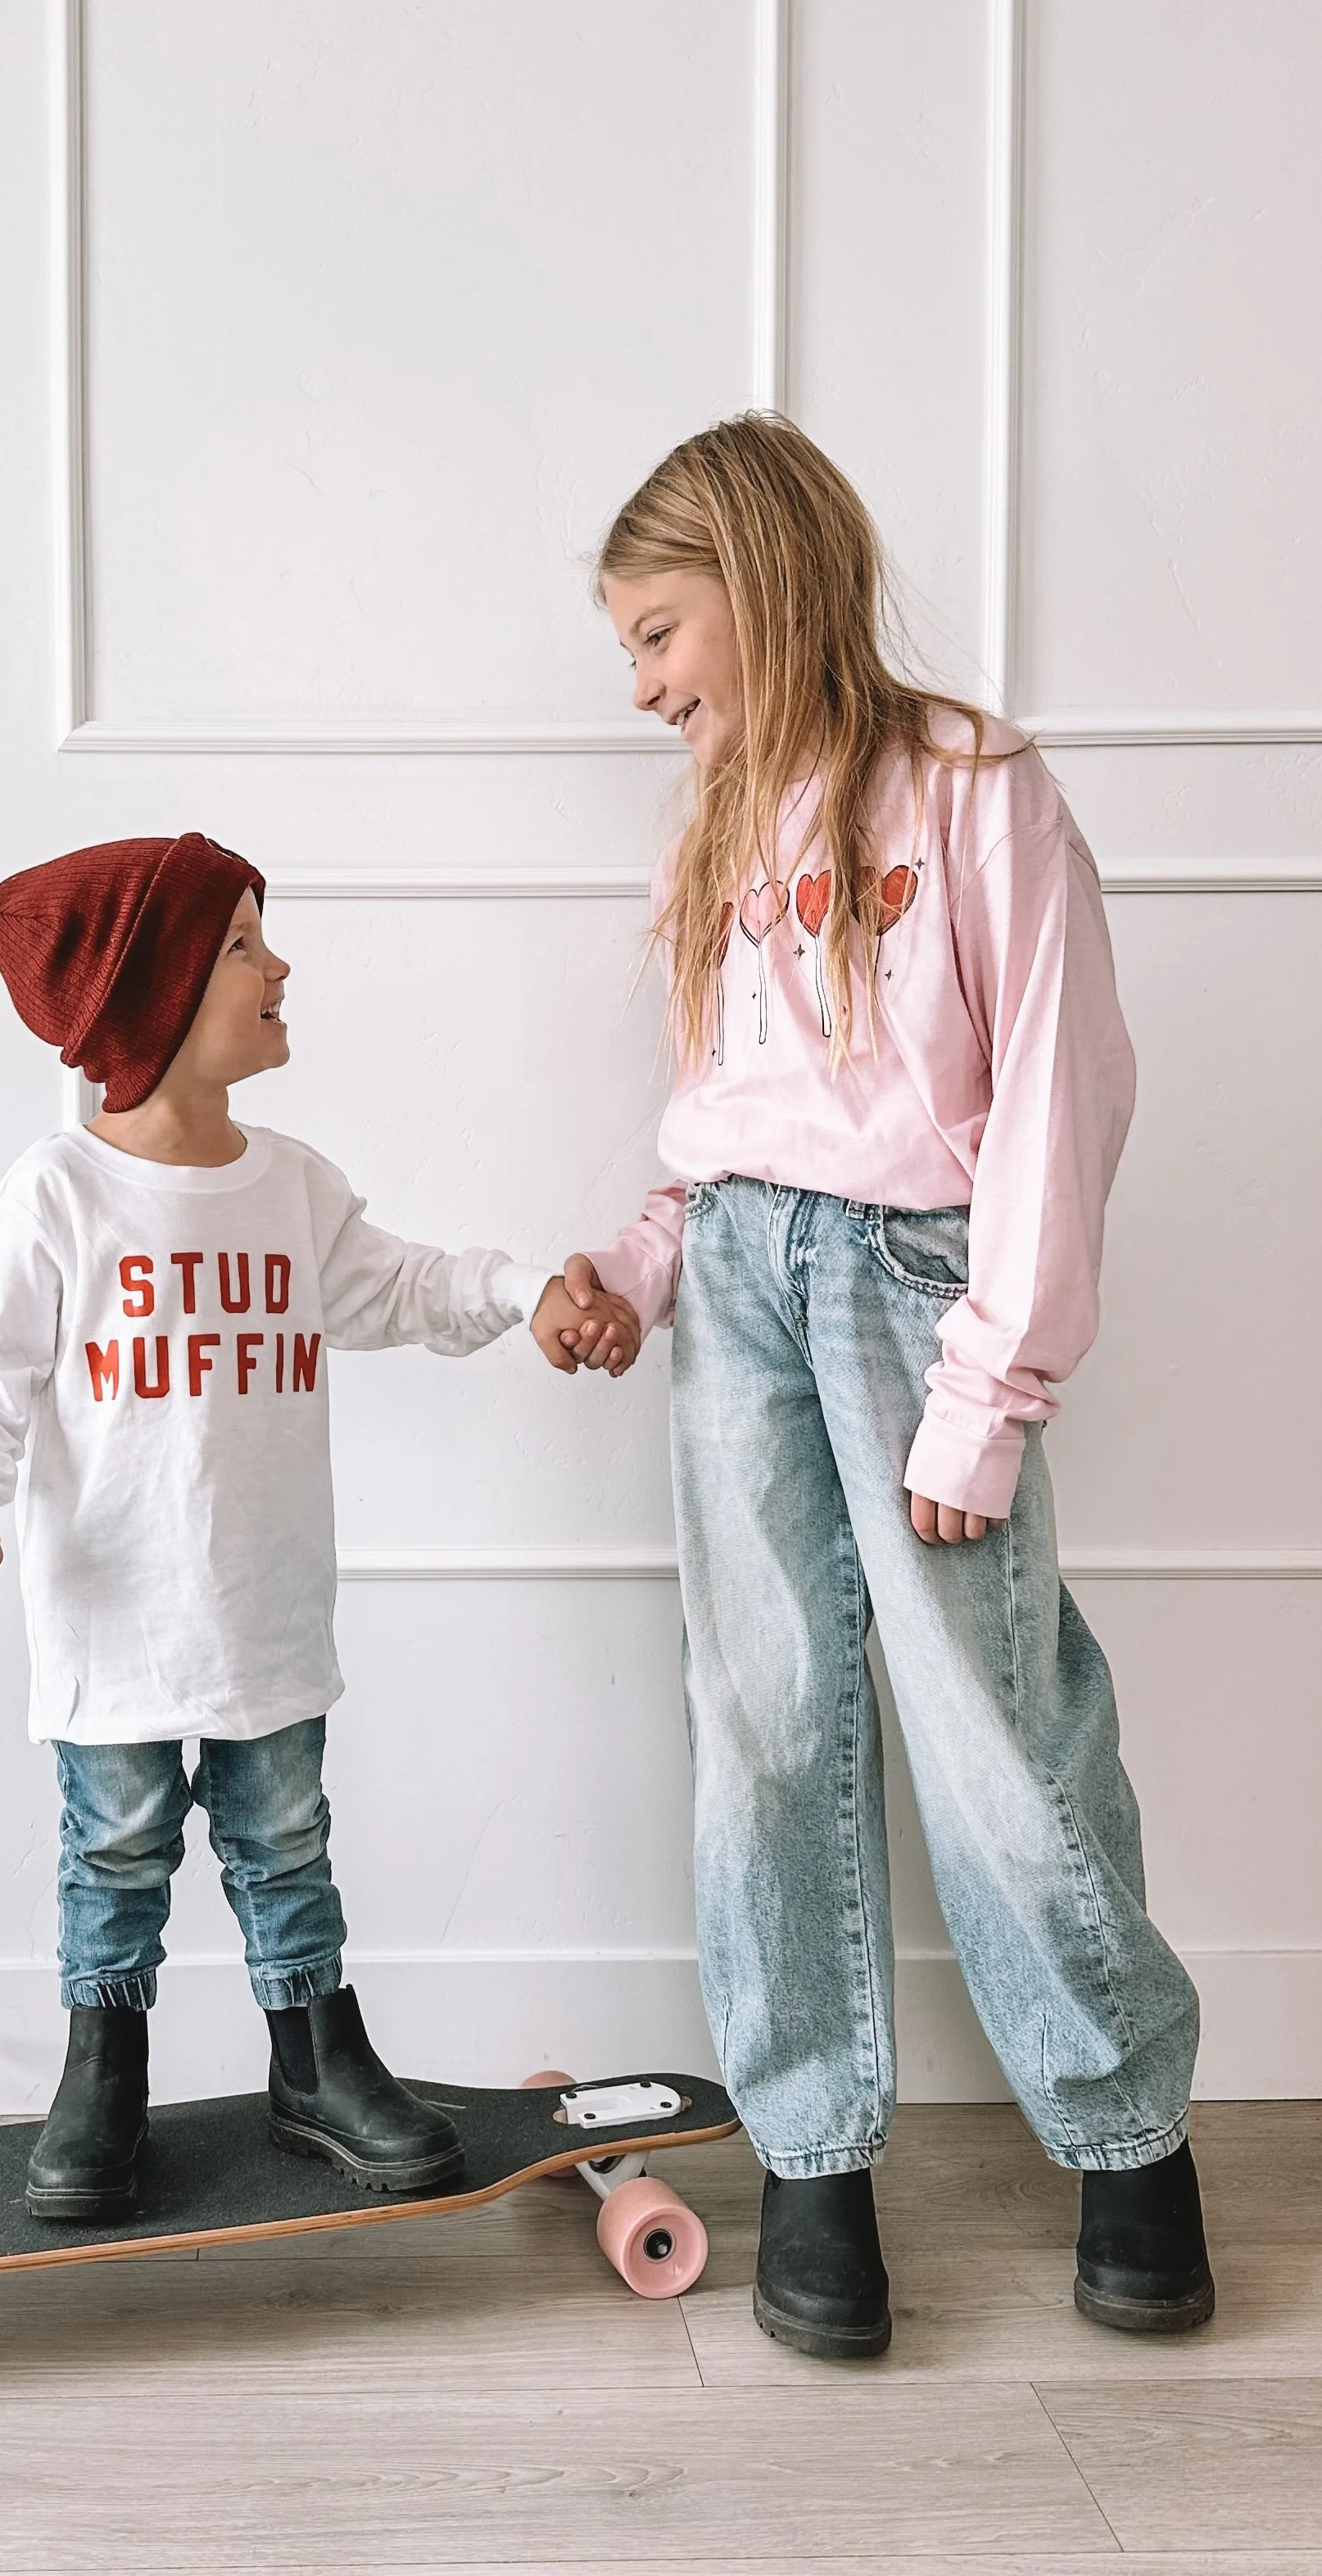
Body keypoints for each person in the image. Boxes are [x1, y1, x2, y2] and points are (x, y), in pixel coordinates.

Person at [548, 414, 1211, 2359]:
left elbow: (1057, 1104)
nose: (647, 685)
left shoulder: (971, 788)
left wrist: (987, 1393)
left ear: (760, 590)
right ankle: (814, 2162)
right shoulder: (719, 828)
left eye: (660, 635)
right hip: (738, 1288)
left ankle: (1128, 2142)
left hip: (915, 1298)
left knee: (992, 1726)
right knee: (762, 1725)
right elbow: (726, 1132)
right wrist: (631, 1266)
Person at [0, 833, 638, 2221]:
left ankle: (316, 2064)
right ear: (160, 997)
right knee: (115, 1852)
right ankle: (102, 2078)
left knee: (286, 1844)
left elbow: (400, 1285)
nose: (278, 964)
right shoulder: (58, 1198)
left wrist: (526, 1290)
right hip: (114, 1617)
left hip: (263, 1609)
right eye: (243, 944)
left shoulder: (292, 1186)